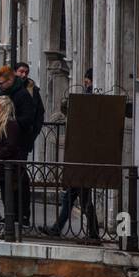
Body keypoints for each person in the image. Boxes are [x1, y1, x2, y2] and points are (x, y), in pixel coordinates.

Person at [43, 69, 101, 238]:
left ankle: (93, 233)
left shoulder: (88, 104)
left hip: (84, 159)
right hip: (84, 159)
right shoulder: (89, 103)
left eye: (88, 83)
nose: (85, 86)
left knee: (79, 199)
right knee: (76, 199)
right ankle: (88, 232)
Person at [0, 96, 30, 228]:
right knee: (4, 195)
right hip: (2, 169)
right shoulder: (0, 124)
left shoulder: (11, 124)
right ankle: (6, 222)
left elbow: (10, 146)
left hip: (10, 169)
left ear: (5, 109)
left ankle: (12, 225)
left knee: (10, 197)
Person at [13, 62, 47, 155]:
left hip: (26, 136)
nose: (24, 75)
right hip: (11, 134)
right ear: (15, 72)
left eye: (26, 72)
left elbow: (40, 111)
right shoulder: (10, 87)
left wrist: (35, 131)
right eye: (21, 71)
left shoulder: (33, 90)